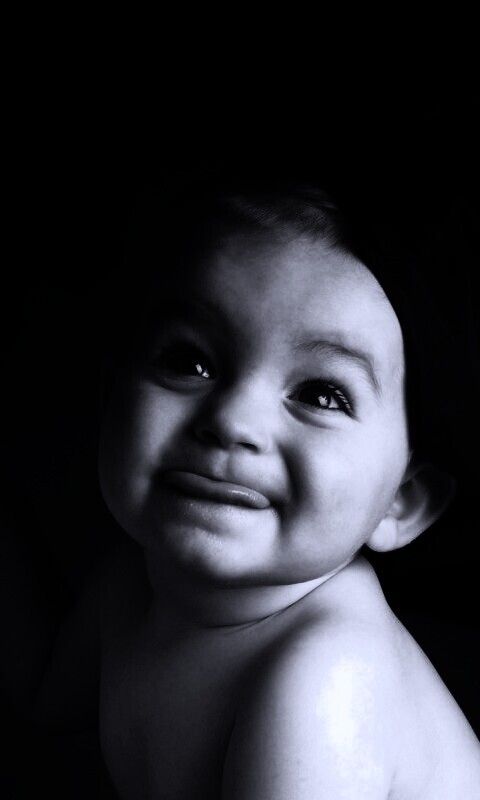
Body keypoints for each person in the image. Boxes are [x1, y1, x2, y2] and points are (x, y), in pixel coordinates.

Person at [31, 171, 480, 798]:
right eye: (190, 362)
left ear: (401, 501)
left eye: (320, 394)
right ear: (111, 397)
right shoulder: (129, 581)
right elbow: (42, 729)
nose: (233, 420)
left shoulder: (322, 685)